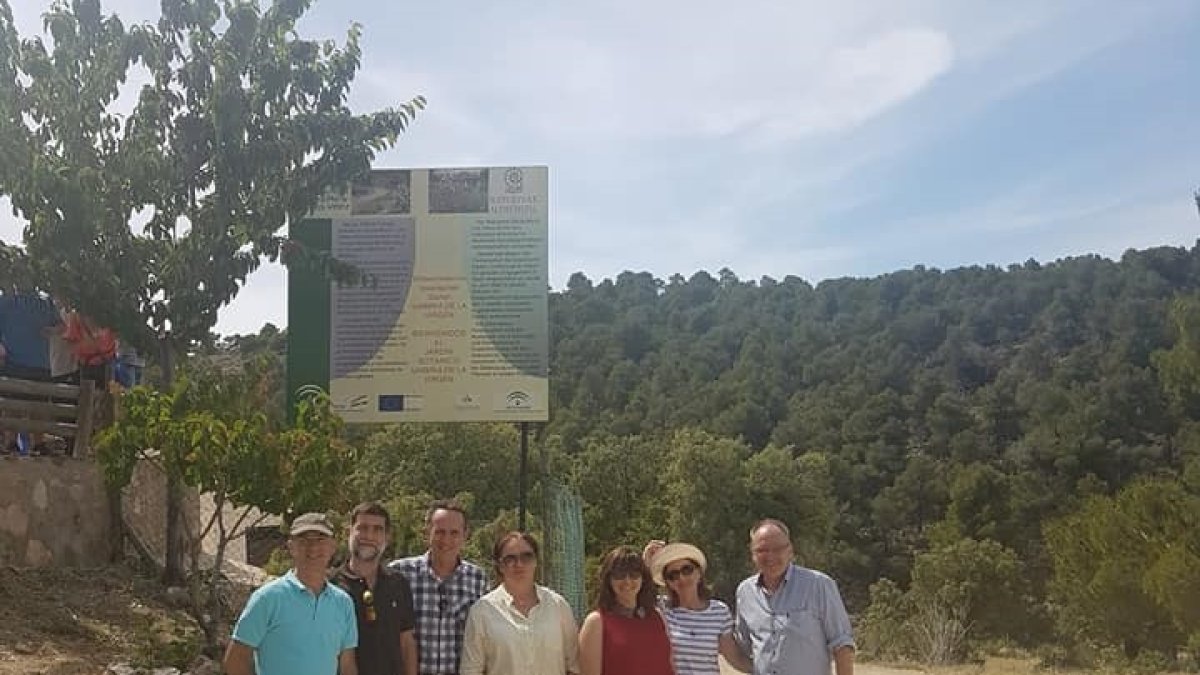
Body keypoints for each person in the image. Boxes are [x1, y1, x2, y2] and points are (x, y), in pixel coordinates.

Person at [224, 512, 358, 675]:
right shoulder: (267, 598)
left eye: (320, 540)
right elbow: (235, 660)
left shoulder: (343, 603)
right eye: (303, 541)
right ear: (291, 547)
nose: (313, 548)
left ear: (332, 547)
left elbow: (347, 665)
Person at [734, 519, 854, 675]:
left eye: (778, 549)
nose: (770, 556)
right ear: (752, 553)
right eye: (762, 550)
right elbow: (743, 648)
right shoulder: (745, 592)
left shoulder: (818, 585)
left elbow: (842, 644)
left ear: (790, 550)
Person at [388, 499, 489, 675]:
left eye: (454, 532)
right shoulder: (399, 573)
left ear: (465, 535)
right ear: (427, 531)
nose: (446, 539)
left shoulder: (478, 579)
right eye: (440, 532)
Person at [461, 531, 580, 675]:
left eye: (526, 556)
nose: (519, 564)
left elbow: (575, 665)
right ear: (499, 565)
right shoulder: (482, 612)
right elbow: (471, 670)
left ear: (536, 561)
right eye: (510, 559)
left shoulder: (558, 606)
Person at [332, 502, 418, 675]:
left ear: (387, 537)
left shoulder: (398, 583)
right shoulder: (330, 585)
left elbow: (407, 643)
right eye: (362, 528)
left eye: (377, 529)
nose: (369, 536)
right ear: (349, 532)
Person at [644, 541, 752, 675]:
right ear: (668, 583)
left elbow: (734, 658)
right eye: (673, 575)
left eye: (687, 570)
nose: (681, 578)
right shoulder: (662, 609)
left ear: (699, 573)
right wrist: (646, 564)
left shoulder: (719, 611)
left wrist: (767, 669)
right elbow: (636, 594)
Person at [578, 545, 674, 675]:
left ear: (643, 578)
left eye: (634, 575)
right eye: (619, 575)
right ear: (608, 579)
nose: (627, 581)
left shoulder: (658, 617)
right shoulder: (596, 622)